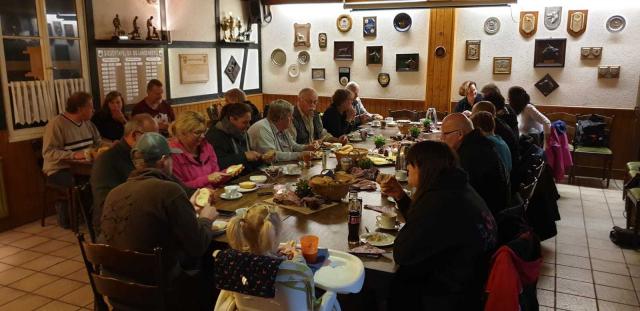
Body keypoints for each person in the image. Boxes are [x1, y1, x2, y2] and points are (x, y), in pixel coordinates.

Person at [99, 132, 218, 310]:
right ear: (163, 160)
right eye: (171, 158)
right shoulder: (169, 190)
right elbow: (197, 245)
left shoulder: (114, 193)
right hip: (159, 294)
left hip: (116, 291)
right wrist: (206, 219)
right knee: (212, 264)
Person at [378, 141, 497, 310]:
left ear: (422, 168)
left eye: (410, 165)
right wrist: (401, 197)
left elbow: (402, 253)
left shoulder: (439, 201)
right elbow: (426, 225)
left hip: (447, 295)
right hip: (471, 281)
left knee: (384, 282)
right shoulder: (456, 186)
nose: (407, 169)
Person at [91, 114, 159, 233]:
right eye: (152, 138)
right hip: (116, 227)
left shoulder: (146, 154)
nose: (156, 143)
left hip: (144, 216)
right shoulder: (107, 161)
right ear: (135, 135)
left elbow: (170, 181)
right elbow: (107, 205)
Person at [43, 91, 101, 228]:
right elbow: (48, 152)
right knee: (86, 184)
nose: (93, 110)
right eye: (90, 107)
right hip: (59, 170)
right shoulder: (56, 124)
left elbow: (98, 142)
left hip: (83, 168)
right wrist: (73, 155)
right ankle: (90, 221)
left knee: (104, 177)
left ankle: (99, 216)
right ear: (80, 109)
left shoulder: (88, 123)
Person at [441, 113, 510, 216]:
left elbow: (455, 194)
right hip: (491, 211)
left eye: (445, 134)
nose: (441, 138)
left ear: (460, 134)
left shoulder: (470, 155)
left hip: (485, 218)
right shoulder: (477, 143)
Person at [169, 111, 240, 188]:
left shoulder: (207, 147)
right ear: (183, 133)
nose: (203, 136)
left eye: (204, 132)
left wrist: (227, 173)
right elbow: (180, 188)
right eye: (197, 132)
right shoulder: (172, 153)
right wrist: (207, 179)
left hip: (210, 195)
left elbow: (215, 181)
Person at [247, 99, 317, 162]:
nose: (292, 118)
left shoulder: (283, 128)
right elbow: (272, 155)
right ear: (281, 117)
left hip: (279, 167)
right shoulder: (262, 128)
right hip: (262, 172)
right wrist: (299, 155)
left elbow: (293, 145)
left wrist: (307, 147)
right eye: (290, 116)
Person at [206, 102, 263, 171]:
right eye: (245, 122)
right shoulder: (215, 135)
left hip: (245, 176)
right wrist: (244, 156)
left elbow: (249, 162)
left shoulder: (242, 132)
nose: (248, 126)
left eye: (249, 122)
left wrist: (262, 159)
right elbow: (219, 163)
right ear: (232, 119)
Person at [472, 101, 519, 176]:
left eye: (473, 113)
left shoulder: (489, 142)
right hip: (509, 176)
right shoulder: (497, 129)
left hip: (505, 180)